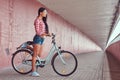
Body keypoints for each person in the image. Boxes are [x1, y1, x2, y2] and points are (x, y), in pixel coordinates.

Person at [31, 7, 50, 77]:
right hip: (38, 38)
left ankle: (30, 48)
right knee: (35, 55)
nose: (46, 13)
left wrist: (47, 34)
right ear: (40, 13)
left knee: (39, 55)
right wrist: (46, 34)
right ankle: (33, 71)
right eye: (45, 12)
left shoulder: (42, 20)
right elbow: (38, 32)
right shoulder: (37, 20)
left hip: (42, 39)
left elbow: (43, 31)